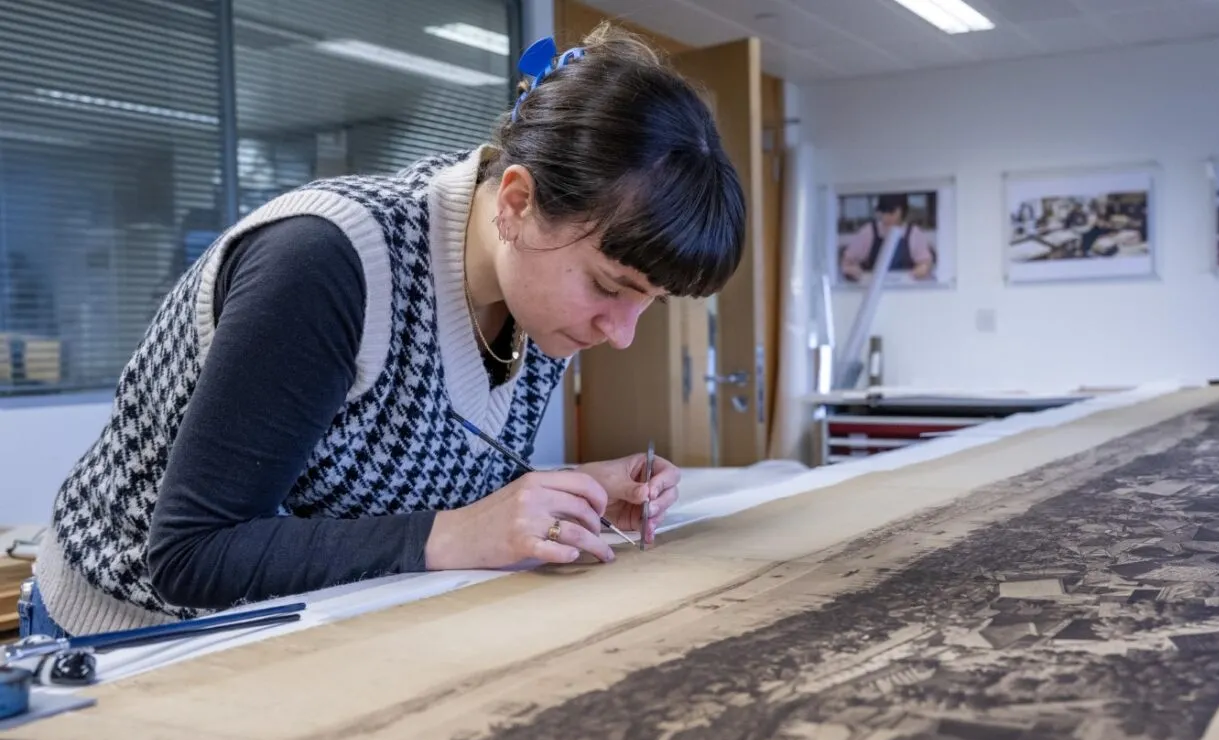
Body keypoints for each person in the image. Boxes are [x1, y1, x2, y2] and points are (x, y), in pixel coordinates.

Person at [28, 23, 747, 638]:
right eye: (608, 287)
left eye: (646, 304)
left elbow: (407, 473)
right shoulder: (327, 262)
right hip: (136, 633)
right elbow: (194, 554)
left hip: (312, 624)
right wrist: (459, 533)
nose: (619, 333)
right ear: (519, 201)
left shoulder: (537, 292)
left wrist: (559, 492)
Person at [839, 193, 935, 282]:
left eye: (891, 212)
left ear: (902, 210)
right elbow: (847, 263)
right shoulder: (868, 232)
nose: (886, 217)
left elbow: (925, 265)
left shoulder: (914, 234)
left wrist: (914, 274)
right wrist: (854, 271)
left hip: (906, 293)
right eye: (883, 212)